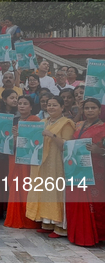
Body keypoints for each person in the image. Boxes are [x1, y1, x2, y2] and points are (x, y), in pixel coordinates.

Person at [26, 96, 75, 238]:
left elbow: (66, 145)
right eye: (49, 105)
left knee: (56, 192)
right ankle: (47, 223)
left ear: (62, 107)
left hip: (57, 163)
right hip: (43, 163)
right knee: (44, 191)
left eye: (54, 105)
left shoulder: (66, 123)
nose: (51, 108)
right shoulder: (43, 122)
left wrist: (51, 135)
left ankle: (60, 227)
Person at [66, 98, 105, 246]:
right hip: (77, 169)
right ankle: (80, 234)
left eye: (93, 108)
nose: (89, 111)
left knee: (96, 203)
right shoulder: (79, 125)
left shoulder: (103, 128)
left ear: (99, 110)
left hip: (97, 171)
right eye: (87, 108)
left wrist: (99, 150)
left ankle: (98, 235)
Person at [3, 95, 42, 228]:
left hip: (28, 158)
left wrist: (22, 135)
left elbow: (37, 142)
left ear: (31, 106)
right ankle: (16, 218)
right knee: (15, 185)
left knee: (27, 185)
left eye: (25, 103)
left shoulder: (36, 120)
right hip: (14, 157)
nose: (22, 106)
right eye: (20, 103)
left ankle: (28, 219)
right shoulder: (13, 120)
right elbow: (7, 143)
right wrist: (13, 137)